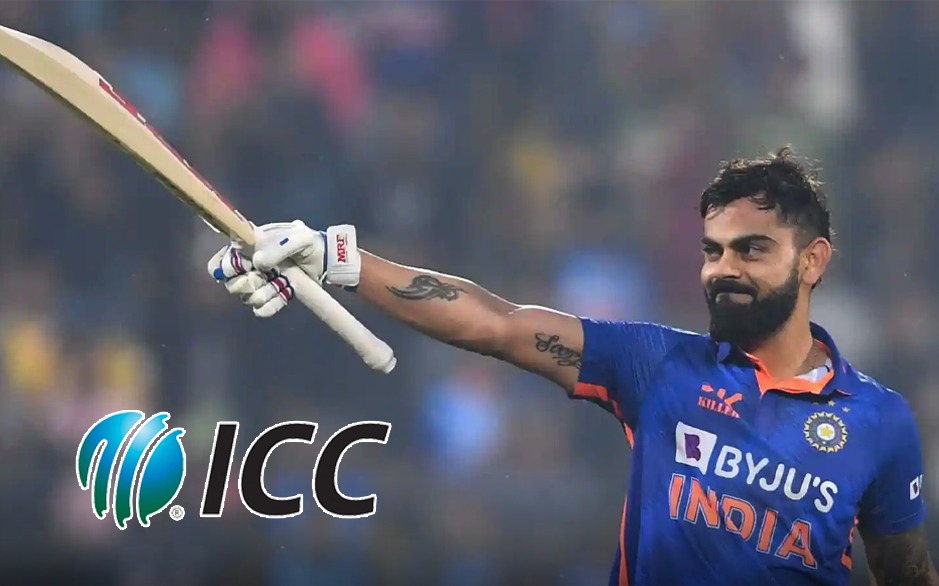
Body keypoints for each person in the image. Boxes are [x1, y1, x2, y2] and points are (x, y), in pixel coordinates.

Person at [207, 147, 938, 586]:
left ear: (813, 261)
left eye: (752, 250)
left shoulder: (878, 422)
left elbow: (906, 575)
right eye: (713, 250)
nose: (723, 270)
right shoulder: (660, 365)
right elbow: (497, 323)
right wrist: (335, 259)